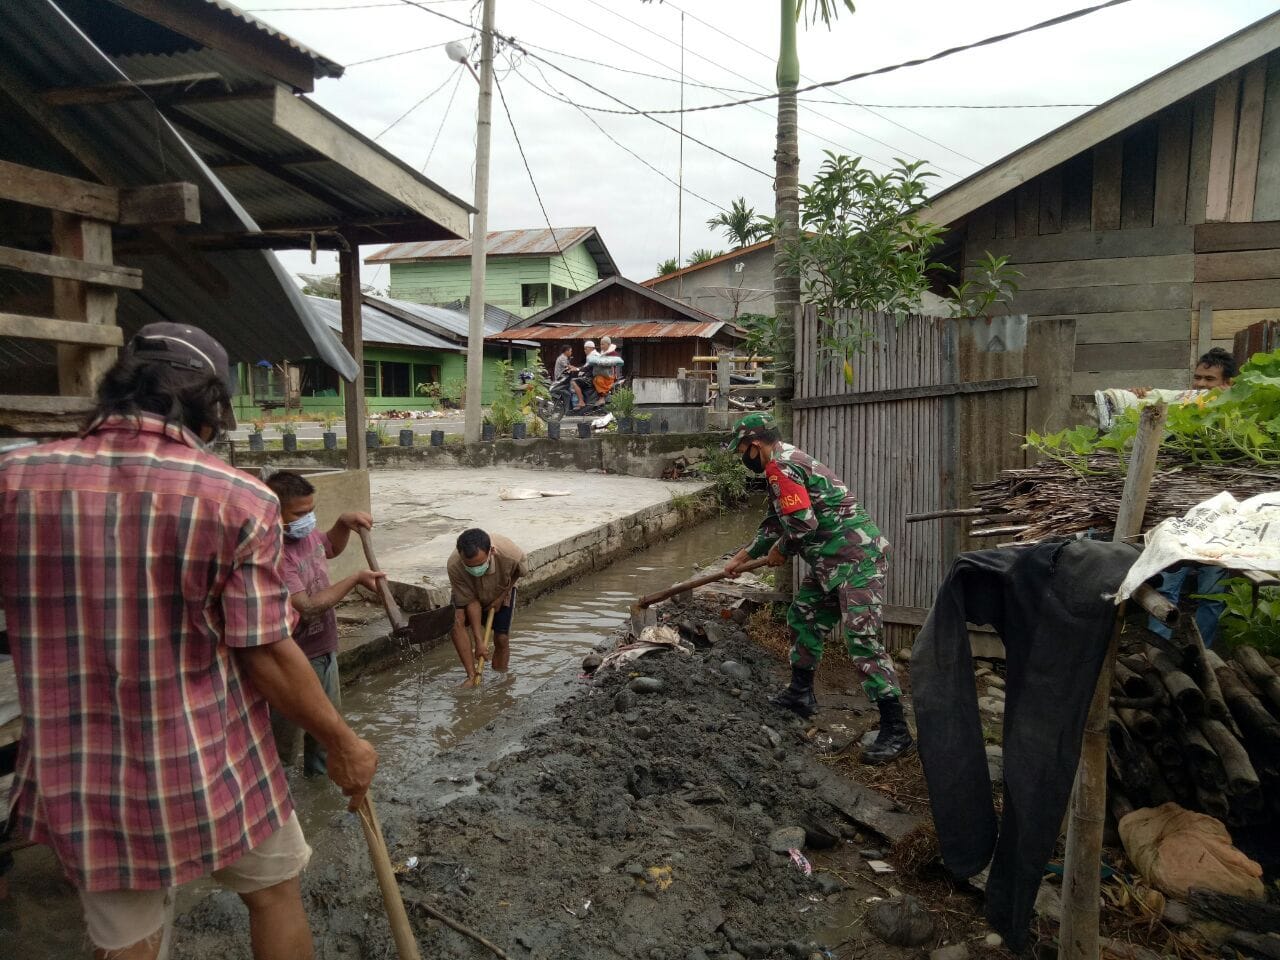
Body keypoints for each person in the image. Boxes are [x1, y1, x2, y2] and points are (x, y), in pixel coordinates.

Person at [0, 323, 377, 960]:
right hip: (212, 759)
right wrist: (342, 740)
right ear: (209, 408)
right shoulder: (234, 498)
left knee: (126, 942)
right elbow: (264, 651)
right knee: (275, 893)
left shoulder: (15, 480)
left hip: (83, 776)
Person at [721, 412, 911, 764]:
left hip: (856, 560)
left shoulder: (781, 467)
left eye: (741, 450)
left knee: (861, 640)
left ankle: (896, 729)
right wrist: (743, 556)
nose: (742, 457)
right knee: (803, 617)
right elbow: (777, 522)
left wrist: (781, 552)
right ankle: (800, 694)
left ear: (754, 445)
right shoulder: (786, 460)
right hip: (831, 562)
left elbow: (801, 525)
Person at [264, 471, 384, 777]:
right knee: (284, 739)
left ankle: (319, 785)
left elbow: (329, 547)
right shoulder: (275, 552)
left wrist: (342, 523)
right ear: (274, 514)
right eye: (300, 513)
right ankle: (286, 796)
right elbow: (307, 606)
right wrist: (355, 578)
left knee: (326, 728)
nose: (308, 519)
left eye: (311, 511)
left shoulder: (304, 536)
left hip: (323, 646)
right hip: (293, 657)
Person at [447, 528, 527, 686]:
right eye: (470, 566)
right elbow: (471, 601)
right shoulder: (454, 565)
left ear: (492, 551)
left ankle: (500, 679)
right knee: (456, 621)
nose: (476, 570)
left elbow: (519, 572)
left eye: (480, 564)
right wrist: (479, 642)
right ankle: (471, 675)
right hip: (471, 593)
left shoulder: (510, 553)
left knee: (502, 638)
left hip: (500, 587)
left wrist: (502, 596)